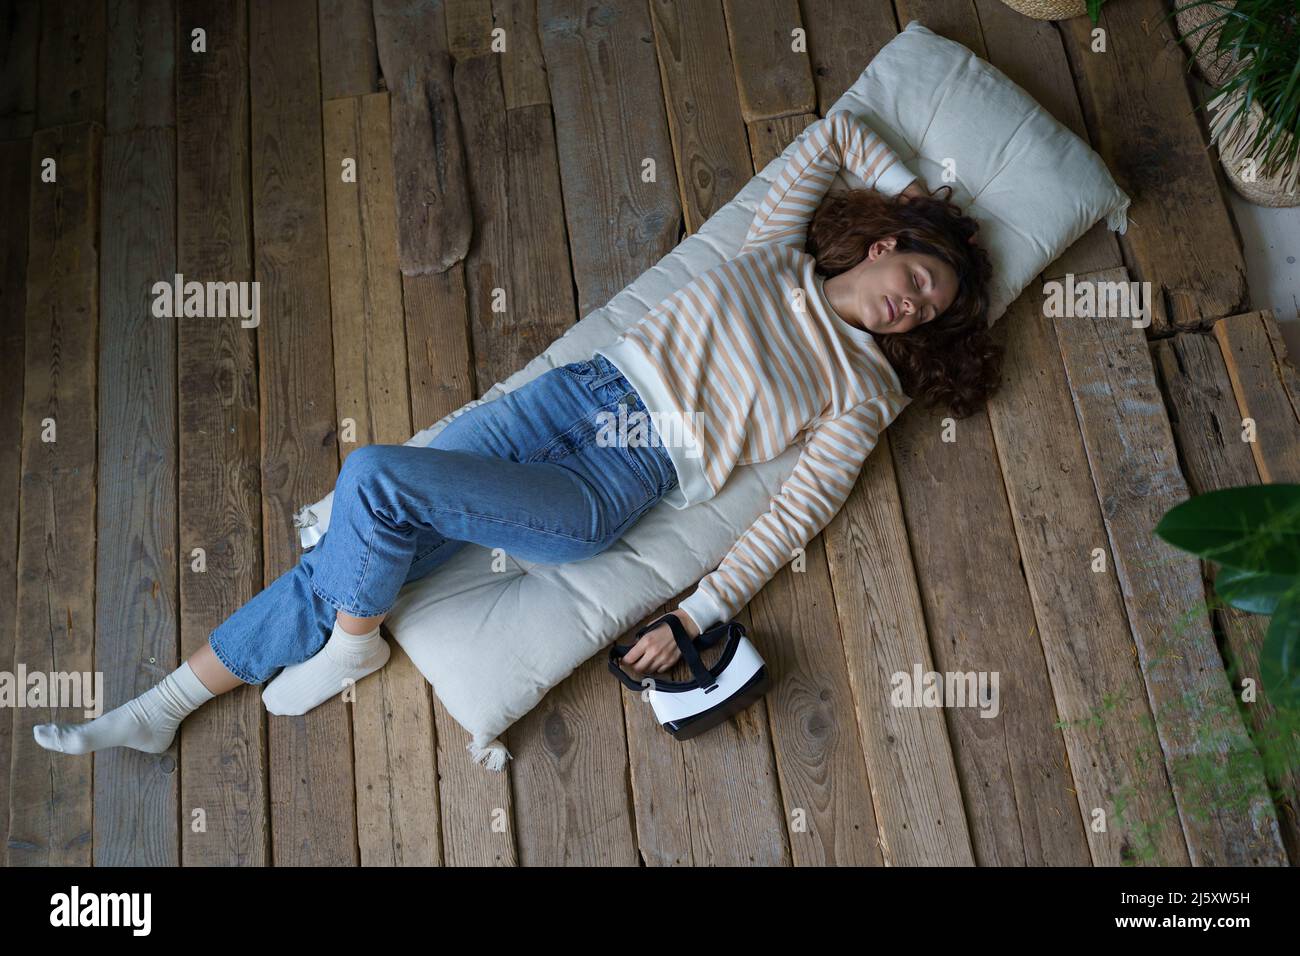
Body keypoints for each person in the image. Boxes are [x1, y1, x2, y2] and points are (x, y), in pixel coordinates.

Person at [34, 109, 998, 756]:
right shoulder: (772, 249)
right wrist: (921, 201)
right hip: (572, 396)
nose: (910, 306)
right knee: (360, 538)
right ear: (886, 246)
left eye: (928, 311)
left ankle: (353, 641)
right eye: (916, 278)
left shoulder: (865, 389)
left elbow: (794, 518)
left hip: (617, 477)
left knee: (372, 481)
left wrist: (695, 617)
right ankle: (162, 708)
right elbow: (839, 132)